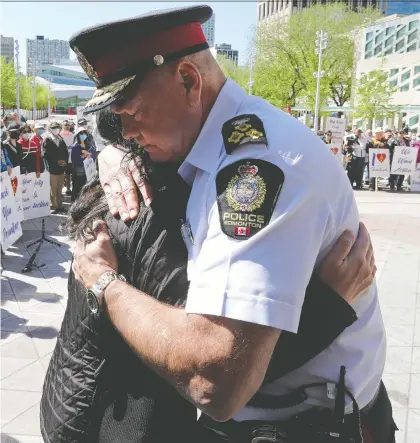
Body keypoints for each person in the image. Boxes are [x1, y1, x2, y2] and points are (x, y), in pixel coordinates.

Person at [70, 6, 395, 442]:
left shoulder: (258, 168)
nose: (124, 132)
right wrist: (114, 154)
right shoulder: (195, 139)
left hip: (301, 427)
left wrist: (103, 283)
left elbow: (215, 381)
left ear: (189, 80)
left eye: (130, 111)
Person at [41, 108, 378, 443]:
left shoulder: (107, 192)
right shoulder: (144, 211)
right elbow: (213, 366)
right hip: (112, 421)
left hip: (67, 399)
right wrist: (329, 308)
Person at [43, 122, 68, 214]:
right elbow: (45, 155)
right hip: (52, 169)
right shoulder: (47, 140)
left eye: (57, 128)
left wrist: (64, 162)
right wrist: (51, 165)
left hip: (61, 169)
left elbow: (65, 152)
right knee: (53, 188)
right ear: (50, 129)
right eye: (54, 128)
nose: (56, 129)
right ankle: (53, 205)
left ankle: (59, 205)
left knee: (60, 188)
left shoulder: (61, 139)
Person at [70, 126, 96, 201]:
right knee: (78, 187)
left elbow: (93, 155)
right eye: (81, 133)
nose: (83, 135)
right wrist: (83, 157)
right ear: (77, 135)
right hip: (79, 172)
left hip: (89, 171)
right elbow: (74, 159)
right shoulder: (75, 146)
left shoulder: (90, 145)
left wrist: (89, 155)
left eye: (84, 133)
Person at [60, 121, 74, 195]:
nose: (67, 126)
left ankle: (68, 189)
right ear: (63, 126)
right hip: (62, 158)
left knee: (68, 175)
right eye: (65, 125)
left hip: (69, 159)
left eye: (68, 125)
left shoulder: (72, 135)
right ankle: (61, 190)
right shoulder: (59, 135)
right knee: (62, 175)